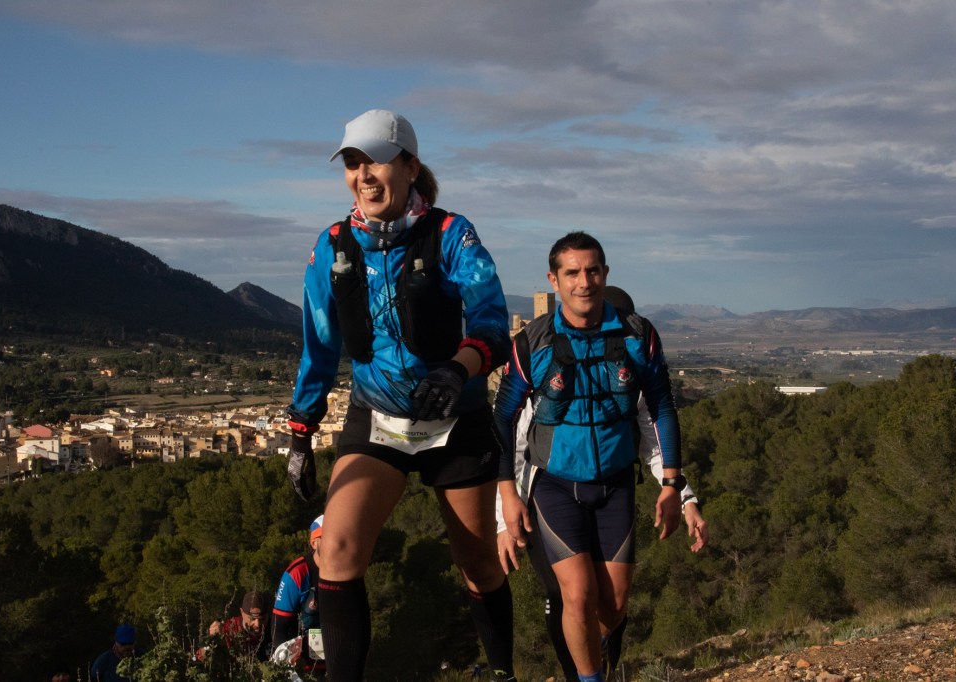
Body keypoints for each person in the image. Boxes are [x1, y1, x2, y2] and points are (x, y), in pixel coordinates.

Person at [286, 109, 515, 681]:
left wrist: (458, 370)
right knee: (336, 551)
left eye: (376, 161)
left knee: (477, 561)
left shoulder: (450, 233)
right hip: (377, 418)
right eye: (352, 163)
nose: (363, 175)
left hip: (453, 416)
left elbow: (491, 320)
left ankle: (502, 672)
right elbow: (319, 343)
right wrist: (301, 432)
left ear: (411, 167)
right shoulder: (333, 245)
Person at [494, 232, 686, 682]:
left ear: (605, 273)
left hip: (616, 483)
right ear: (554, 280)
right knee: (577, 597)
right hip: (556, 484)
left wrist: (673, 484)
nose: (584, 282)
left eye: (593, 270)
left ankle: (595, 653)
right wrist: (507, 495)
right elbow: (502, 418)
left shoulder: (638, 335)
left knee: (613, 606)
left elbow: (661, 407)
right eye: (573, 273)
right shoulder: (533, 342)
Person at [271, 515, 325, 675]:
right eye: (326, 538)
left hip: (336, 664)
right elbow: (278, 627)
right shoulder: (297, 573)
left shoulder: (347, 570)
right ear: (314, 543)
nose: (333, 543)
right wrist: (289, 670)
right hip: (302, 669)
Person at [208, 591, 271, 661]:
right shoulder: (229, 631)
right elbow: (201, 656)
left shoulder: (275, 629)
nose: (257, 624)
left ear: (268, 616)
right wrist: (212, 639)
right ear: (242, 613)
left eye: (262, 619)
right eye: (252, 619)